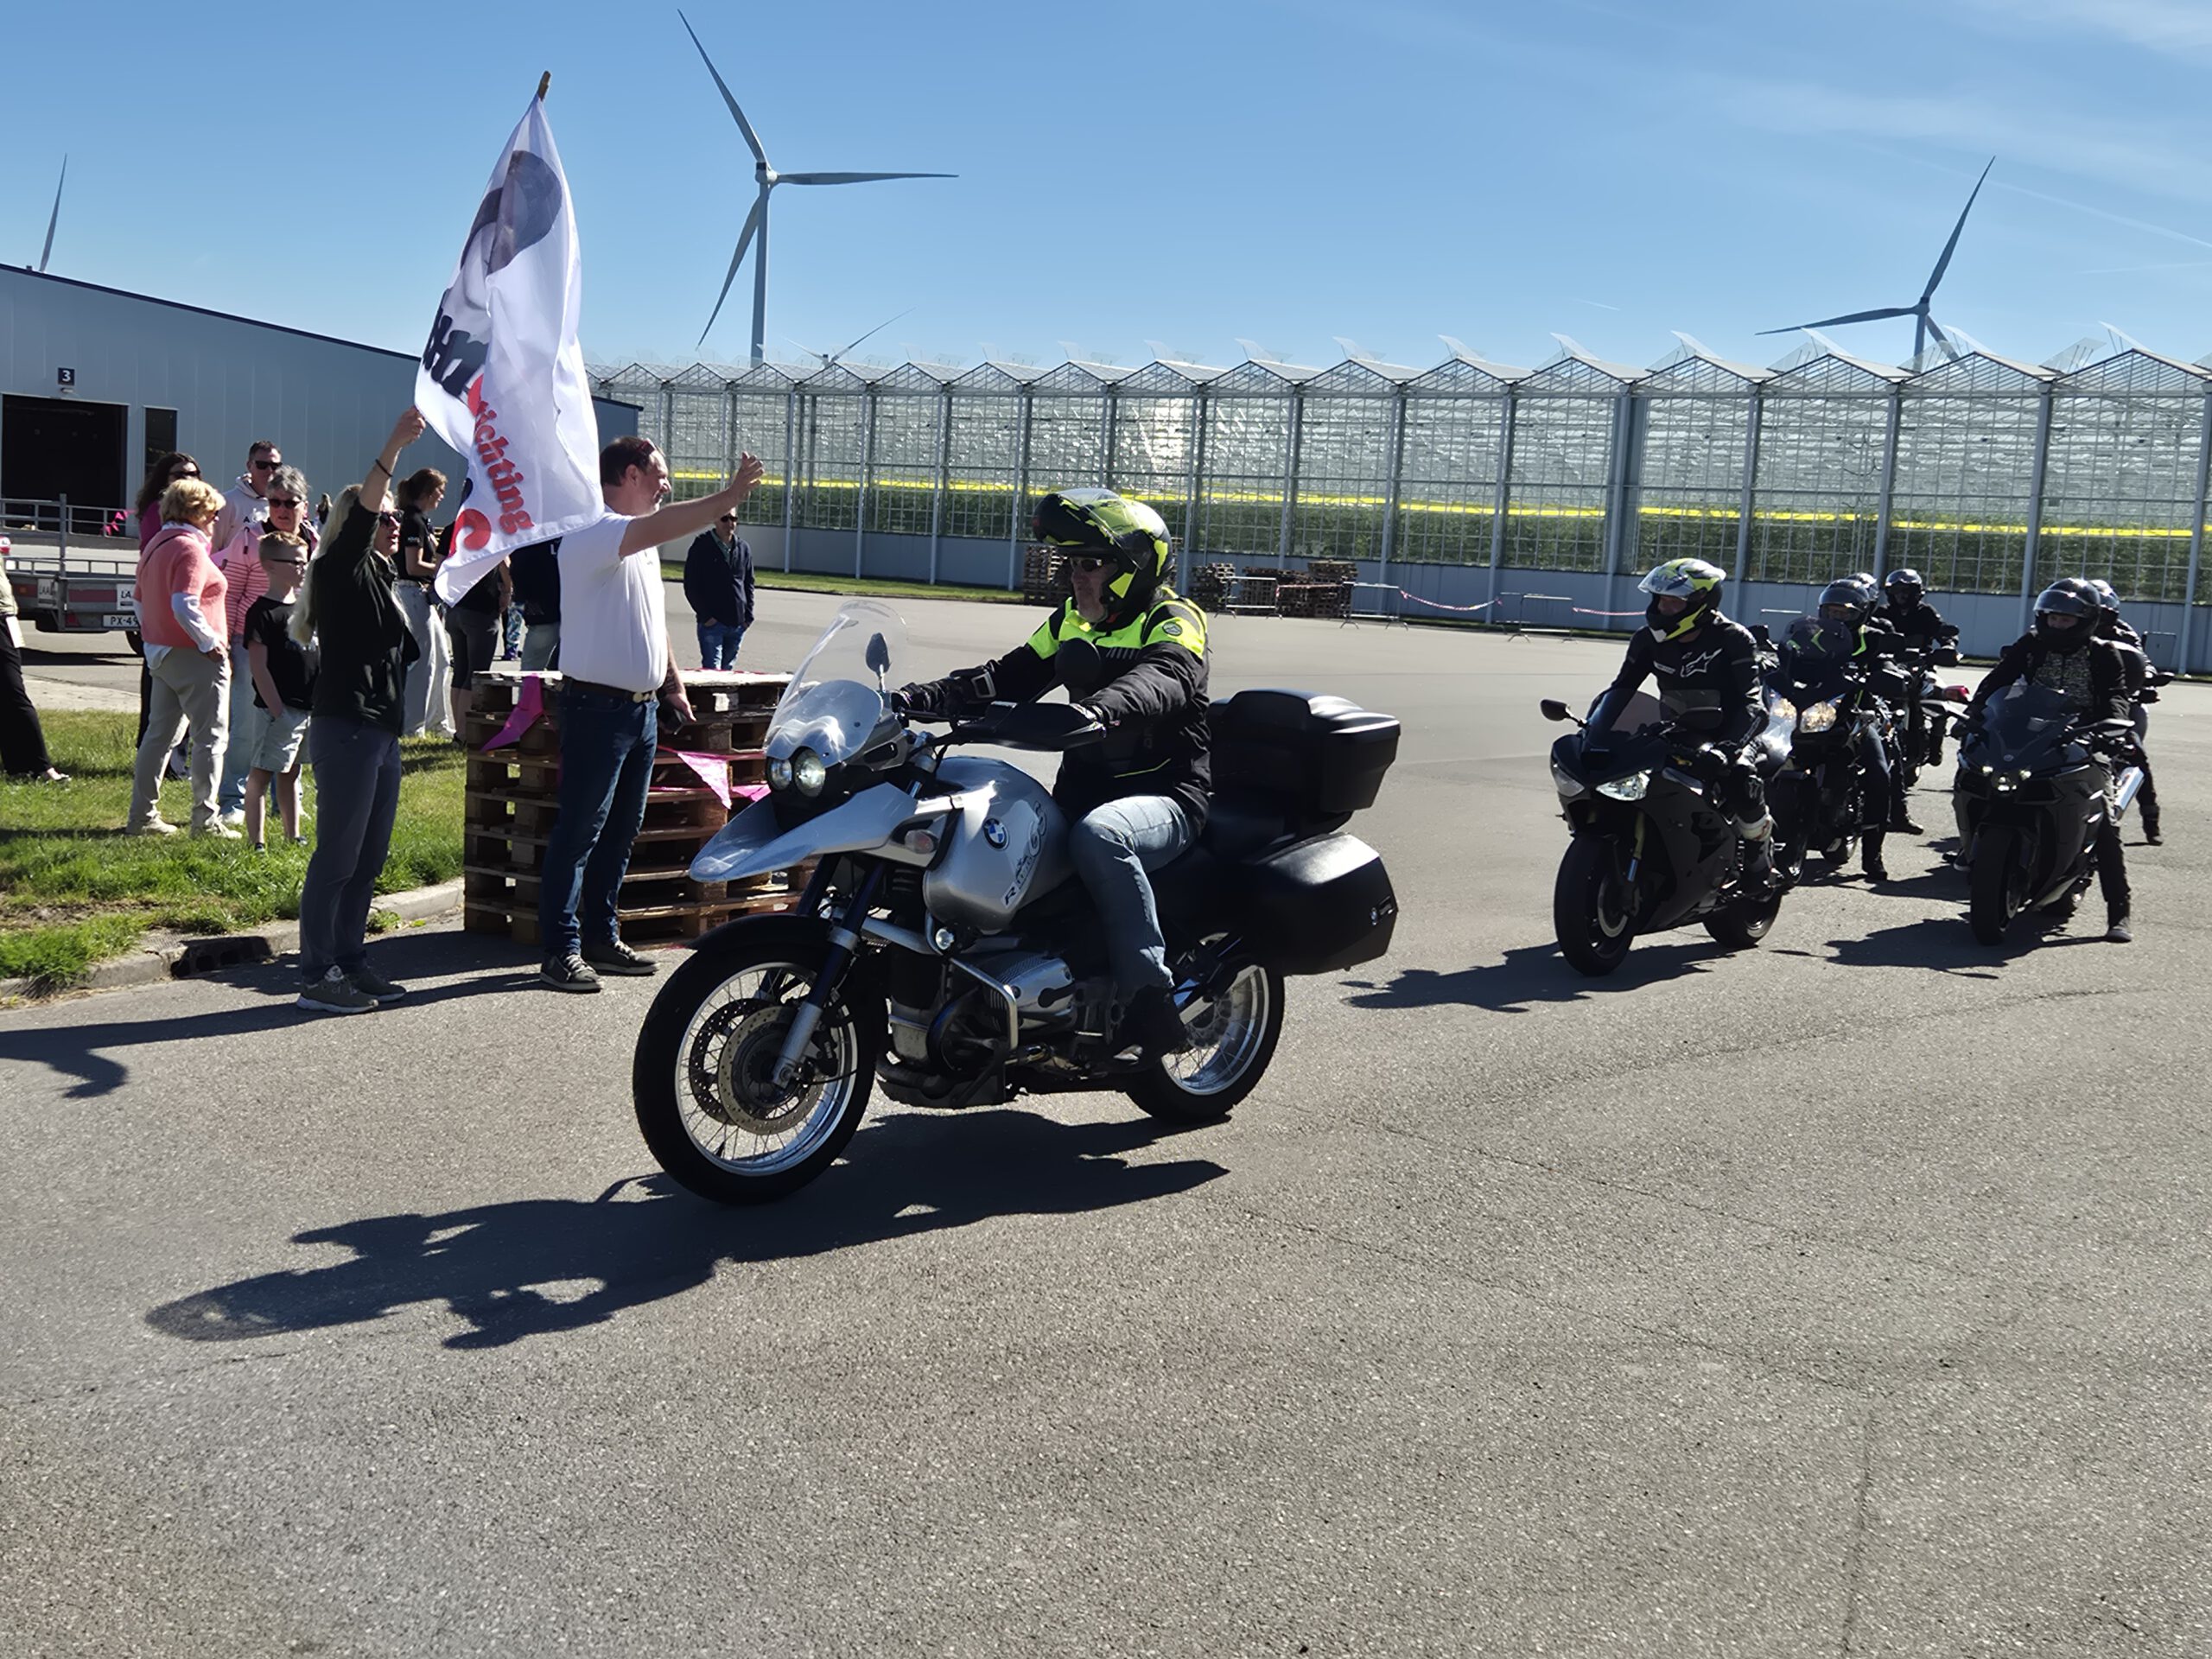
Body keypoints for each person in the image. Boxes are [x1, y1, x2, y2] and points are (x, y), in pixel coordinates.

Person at [894, 488, 1212, 1058]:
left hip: (1165, 796)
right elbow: (1007, 676)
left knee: (1102, 837)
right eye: (1071, 563)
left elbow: (1167, 676)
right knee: (977, 828)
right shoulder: (1071, 619)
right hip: (1082, 791)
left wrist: (1101, 710)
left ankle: (1149, 1000)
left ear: (1134, 568)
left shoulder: (1173, 618)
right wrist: (921, 698)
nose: (1075, 577)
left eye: (1090, 564)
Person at [537, 438, 764, 993]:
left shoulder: (638, 544)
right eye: (659, 474)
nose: (666, 484)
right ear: (631, 474)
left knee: (621, 831)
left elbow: (652, 622)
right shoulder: (596, 532)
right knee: (580, 832)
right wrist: (727, 496)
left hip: (637, 712)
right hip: (596, 709)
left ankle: (601, 936)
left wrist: (672, 683)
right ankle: (561, 949)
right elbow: (670, 523)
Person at [292, 409, 433, 1014]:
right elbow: (369, 507)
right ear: (361, 522)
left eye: (398, 518)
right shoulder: (339, 568)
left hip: (380, 731)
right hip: (347, 728)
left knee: (368, 858)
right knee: (338, 857)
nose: (397, 524)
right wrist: (394, 446)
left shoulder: (377, 575)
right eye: (386, 517)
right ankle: (316, 973)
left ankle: (350, 959)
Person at [1586, 557, 1776, 887]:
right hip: (1678, 730)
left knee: (1741, 777)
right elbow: (1622, 689)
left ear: (1702, 603)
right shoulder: (1647, 640)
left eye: (1674, 602)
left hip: (1732, 732)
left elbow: (1753, 703)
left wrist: (1728, 748)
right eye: (1661, 600)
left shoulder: (1733, 638)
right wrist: (1595, 729)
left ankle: (1759, 859)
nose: (1664, 608)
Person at [1965, 578, 2138, 941]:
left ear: (2086, 621)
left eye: (2066, 619)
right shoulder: (2031, 644)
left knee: (2104, 820)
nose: (2057, 625)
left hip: (2085, 737)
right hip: (2030, 733)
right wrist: (1976, 712)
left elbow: (2116, 695)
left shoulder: (2103, 653)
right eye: (2052, 618)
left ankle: (2119, 911)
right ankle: (1974, 854)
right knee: (1981, 778)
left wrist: (2112, 728)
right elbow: (1999, 679)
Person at [126, 478, 233, 836]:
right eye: (213, 513)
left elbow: (139, 601)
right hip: (195, 656)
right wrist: (209, 642)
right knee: (210, 738)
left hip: (161, 654)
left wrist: (153, 636)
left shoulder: (156, 545)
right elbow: (184, 603)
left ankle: (142, 815)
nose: (216, 520)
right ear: (197, 512)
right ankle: (206, 819)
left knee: (159, 736)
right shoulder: (190, 549)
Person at [214, 465, 315, 823]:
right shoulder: (248, 539)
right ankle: (234, 800)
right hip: (252, 641)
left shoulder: (313, 541)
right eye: (275, 502)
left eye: (290, 502)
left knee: (294, 722)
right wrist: (227, 644)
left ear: (304, 505)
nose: (282, 510)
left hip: (297, 647)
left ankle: (287, 804)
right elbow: (230, 594)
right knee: (246, 725)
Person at [1807, 575, 1916, 869]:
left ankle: (1873, 855)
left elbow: (1886, 661)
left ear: (1861, 614)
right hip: (1813, 714)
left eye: (1844, 613)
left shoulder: (1874, 637)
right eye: (1832, 612)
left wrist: (1890, 673)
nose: (1836, 618)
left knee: (1879, 774)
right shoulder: (1811, 633)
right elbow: (1790, 655)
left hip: (1857, 716)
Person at [240, 531, 317, 850]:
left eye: (305, 562)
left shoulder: (304, 608)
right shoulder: (262, 613)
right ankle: (256, 841)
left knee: (291, 773)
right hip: (278, 711)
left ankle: (292, 834)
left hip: (306, 708)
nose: (302, 568)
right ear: (270, 565)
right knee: (262, 774)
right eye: (295, 562)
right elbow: (259, 668)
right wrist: (278, 711)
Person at [132, 451, 202, 769]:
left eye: (194, 474)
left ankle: (173, 757)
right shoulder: (155, 511)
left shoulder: (200, 513)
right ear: (165, 479)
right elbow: (155, 559)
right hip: (163, 605)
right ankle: (156, 754)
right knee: (159, 689)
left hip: (185, 603)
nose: (188, 479)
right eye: (180, 474)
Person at [2084, 577, 2162, 845]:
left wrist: (2148, 678)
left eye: (2104, 611)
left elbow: (2142, 660)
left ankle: (2151, 821)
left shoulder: (2124, 633)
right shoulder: (2060, 627)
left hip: (2118, 701)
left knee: (2135, 753)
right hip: (2070, 702)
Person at [1872, 567, 1961, 776]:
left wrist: (1948, 645)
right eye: (1897, 591)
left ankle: (1936, 745)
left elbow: (1942, 631)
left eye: (1907, 591)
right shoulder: (1883, 614)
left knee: (1941, 696)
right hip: (1890, 666)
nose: (1902, 595)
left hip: (1921, 667)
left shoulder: (1925, 612)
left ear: (1917, 592)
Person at [0, 535, 67, 782]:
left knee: (11, 693)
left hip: (2, 617)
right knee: (10, 694)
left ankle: (32, 766)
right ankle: (27, 767)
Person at [392, 467, 453, 738]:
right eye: (439, 491)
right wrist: (443, 569)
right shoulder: (412, 522)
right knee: (423, 663)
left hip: (422, 596)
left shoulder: (422, 522)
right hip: (411, 593)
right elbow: (413, 566)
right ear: (428, 492)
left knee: (442, 660)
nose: (442, 497)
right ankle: (412, 727)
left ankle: (436, 721)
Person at [439, 520, 509, 734]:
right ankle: (466, 731)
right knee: (476, 673)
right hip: (482, 607)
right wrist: (507, 590)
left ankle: (458, 729)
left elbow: (440, 565)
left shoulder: (451, 529)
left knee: (460, 671)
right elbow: (504, 562)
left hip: (456, 605)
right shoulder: (489, 526)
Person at [683, 508, 754, 669]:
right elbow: (691, 585)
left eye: (733, 519)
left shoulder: (743, 547)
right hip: (713, 624)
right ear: (715, 520)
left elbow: (748, 583)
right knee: (712, 671)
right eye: (724, 519)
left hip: (737, 623)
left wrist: (748, 616)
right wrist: (706, 616)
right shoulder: (701, 546)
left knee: (727, 672)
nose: (730, 523)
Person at [210, 438, 283, 552]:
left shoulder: (284, 504)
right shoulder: (228, 502)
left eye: (275, 466)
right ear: (249, 466)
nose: (269, 471)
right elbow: (213, 547)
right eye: (262, 465)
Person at [510, 537, 562, 671]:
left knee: (531, 669)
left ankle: (530, 685)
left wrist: (522, 597)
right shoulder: (572, 535)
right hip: (573, 609)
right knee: (566, 669)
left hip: (540, 609)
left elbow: (518, 569)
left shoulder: (531, 538)